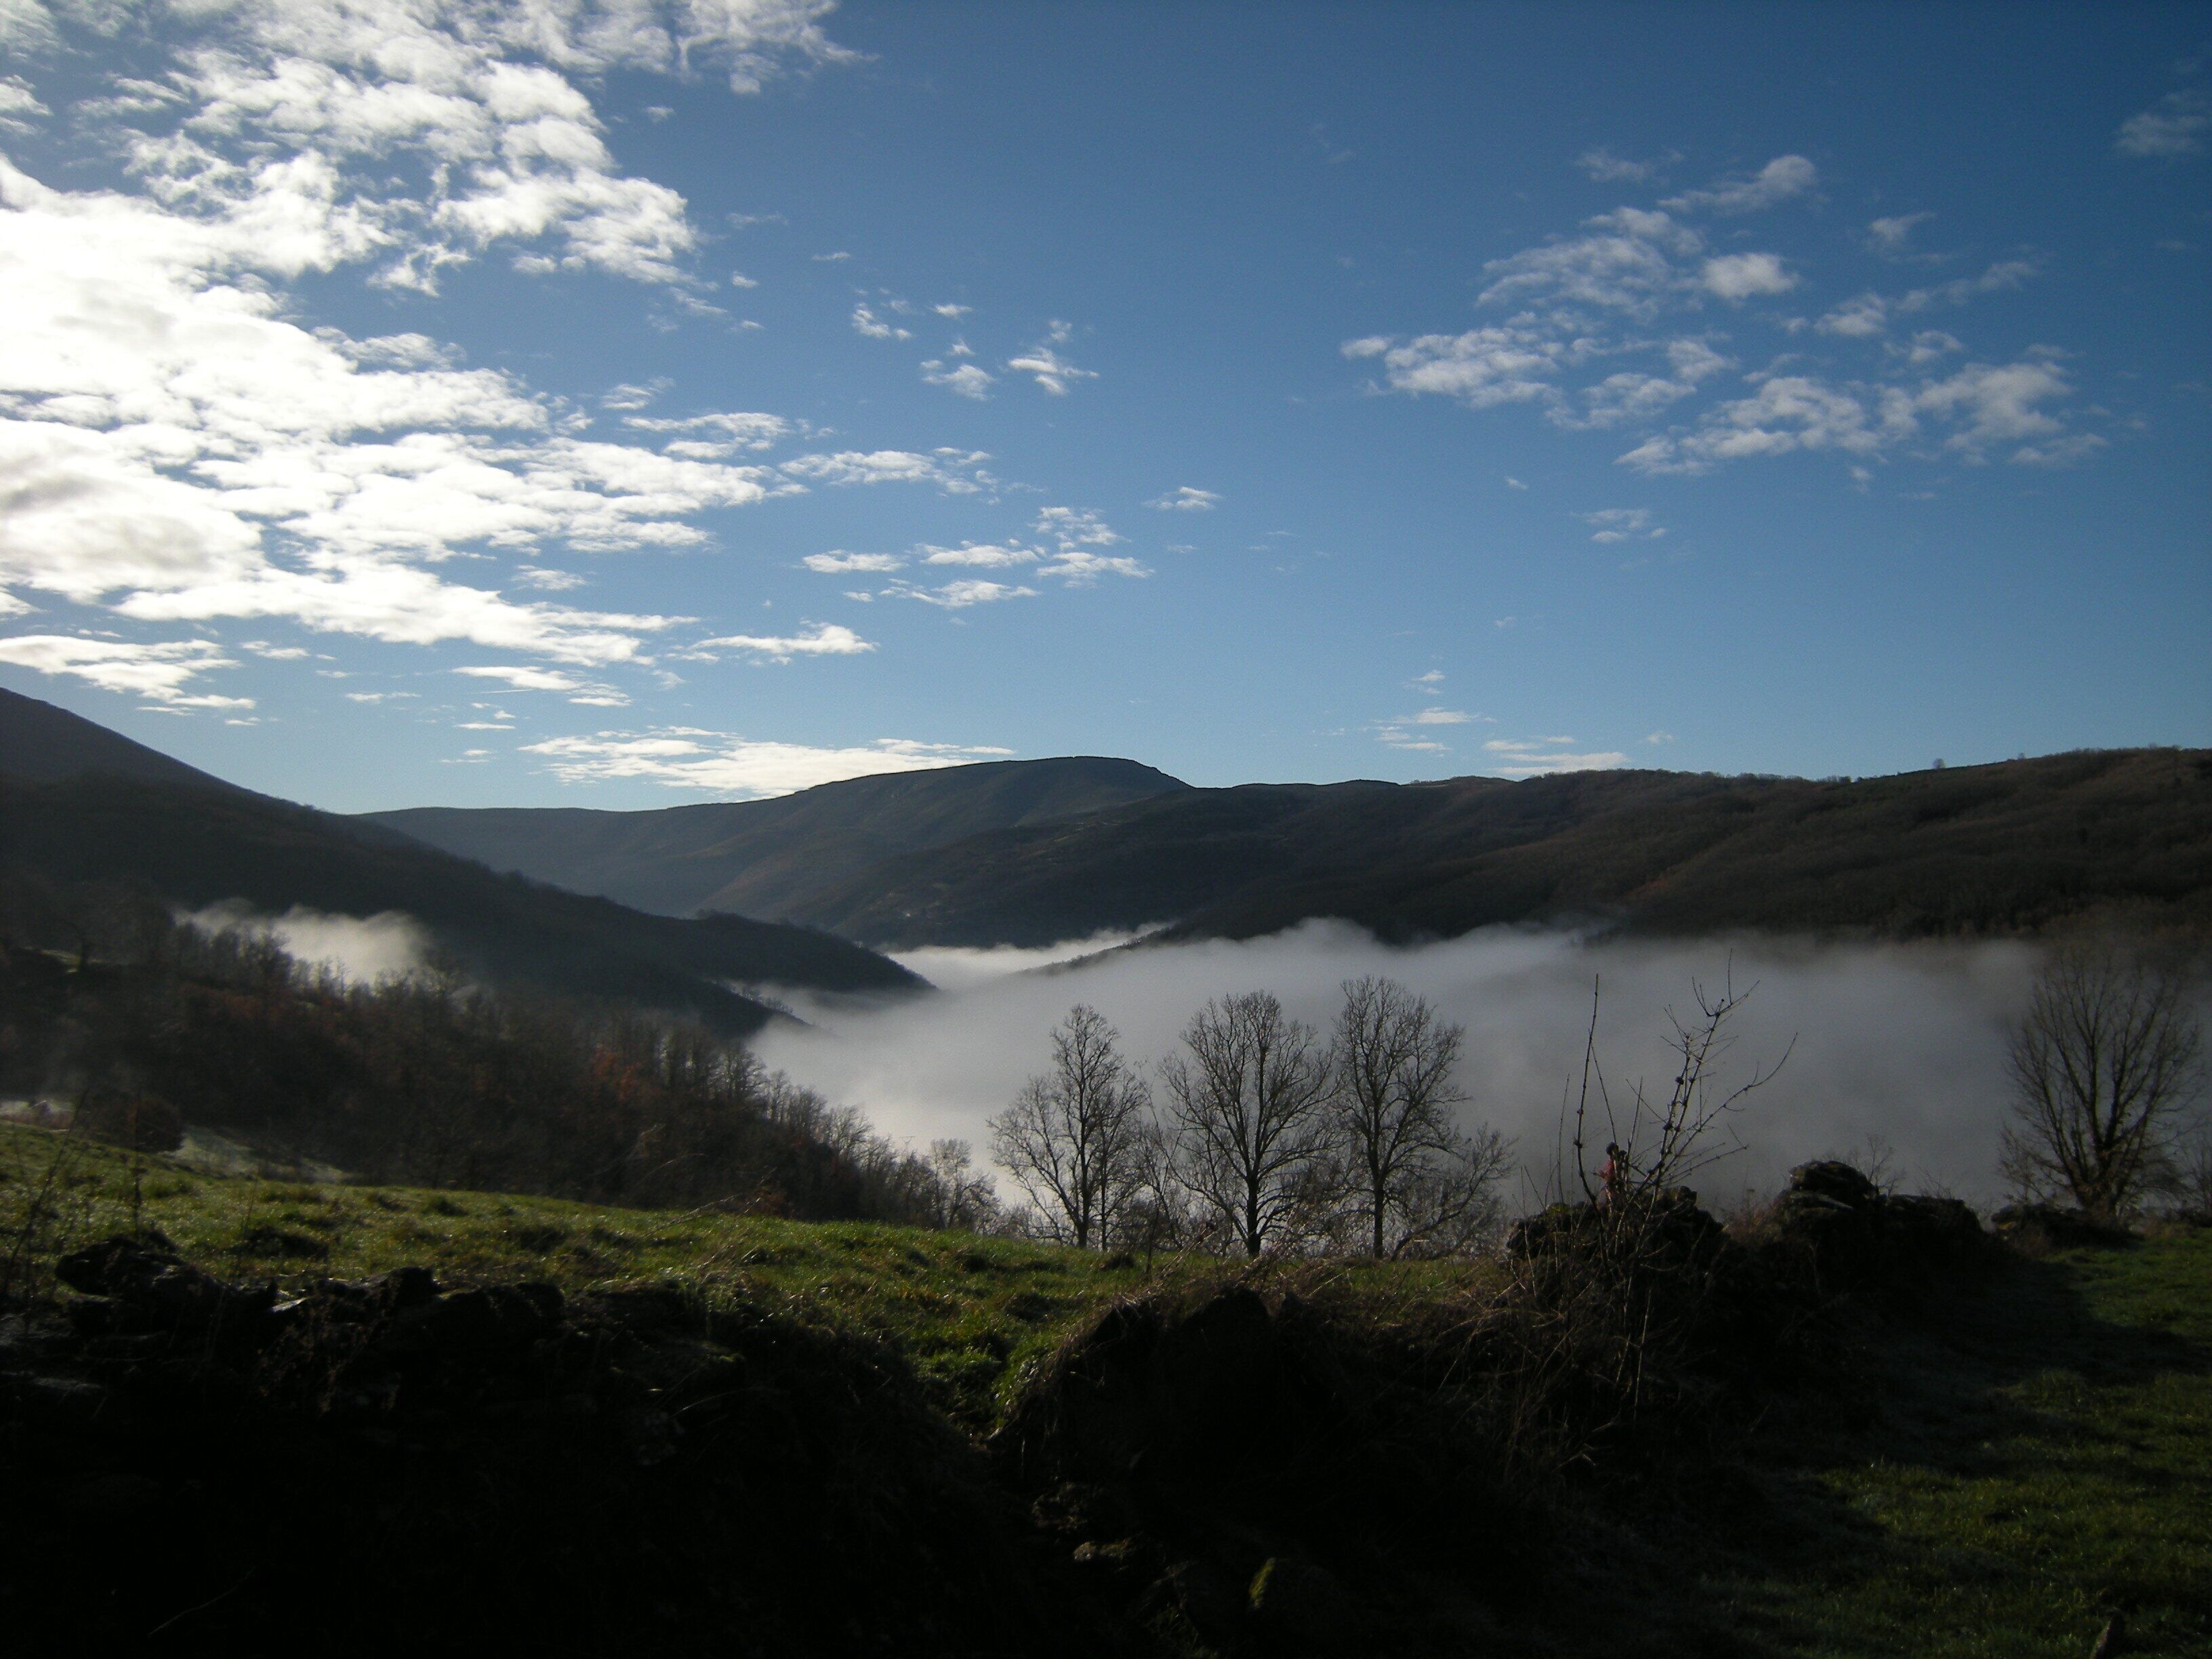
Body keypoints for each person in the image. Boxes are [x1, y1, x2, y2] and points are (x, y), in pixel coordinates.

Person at [1598, 1143, 1626, 1208]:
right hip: (1612, 1183)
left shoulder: (1612, 1161)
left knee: (1617, 1198)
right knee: (1615, 1200)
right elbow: (1610, 1172)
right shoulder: (1612, 1162)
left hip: (1613, 1183)